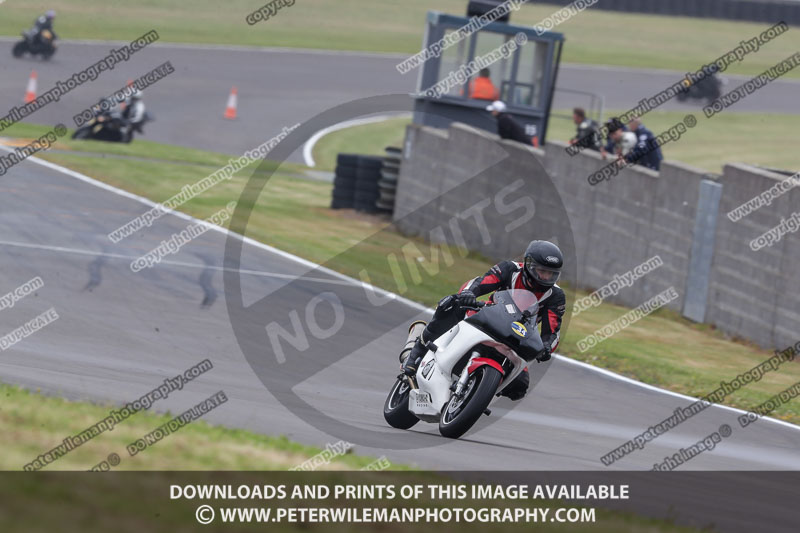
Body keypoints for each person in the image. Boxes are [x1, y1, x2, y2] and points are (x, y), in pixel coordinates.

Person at [401, 240, 567, 401]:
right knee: (451, 306)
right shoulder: (509, 269)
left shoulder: (556, 296)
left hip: (516, 337)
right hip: (487, 318)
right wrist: (468, 293)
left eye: (551, 273)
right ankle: (416, 354)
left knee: (520, 386)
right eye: (542, 271)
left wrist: (546, 348)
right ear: (529, 265)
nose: (546, 277)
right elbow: (481, 282)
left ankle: (476, 393)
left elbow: (552, 332)